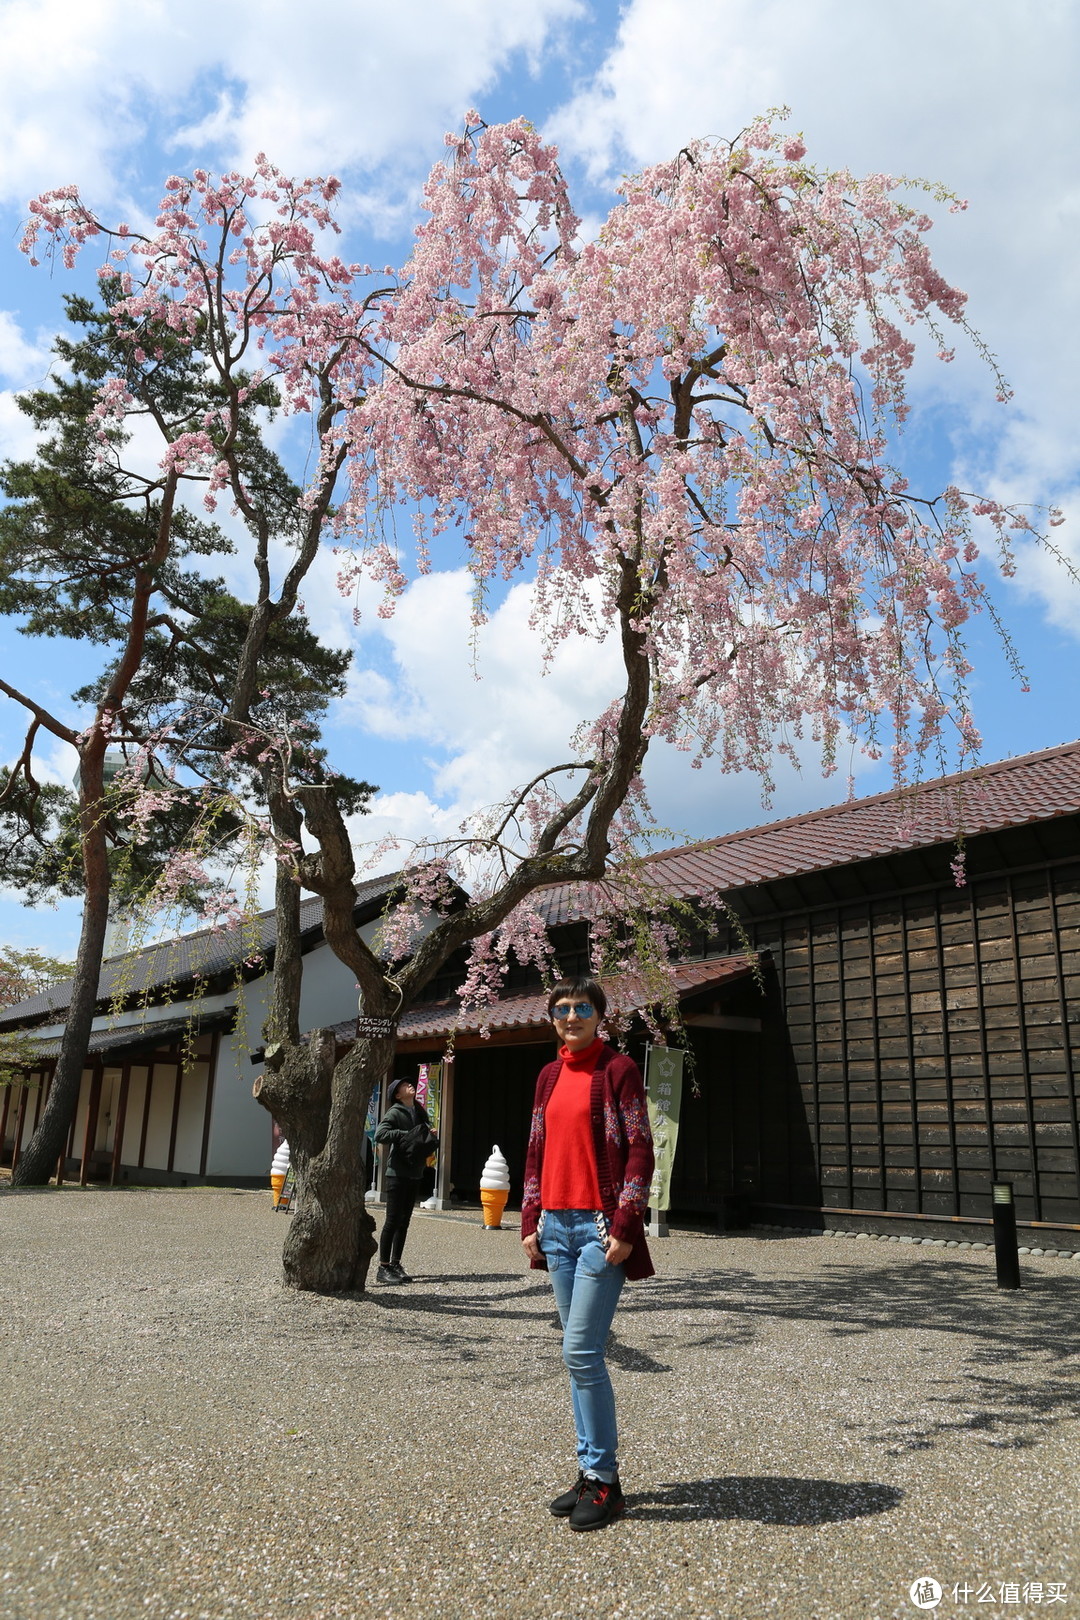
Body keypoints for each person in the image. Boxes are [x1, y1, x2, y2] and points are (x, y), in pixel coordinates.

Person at [520, 977, 654, 1532]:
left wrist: (626, 1223)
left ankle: (607, 1482)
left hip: (600, 1230)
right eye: (561, 1009)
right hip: (555, 1227)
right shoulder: (548, 1076)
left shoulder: (618, 1071)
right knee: (580, 1358)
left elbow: (640, 1150)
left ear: (600, 1015)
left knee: (579, 1351)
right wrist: (530, 1219)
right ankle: (589, 1473)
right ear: (552, 1018)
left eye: (581, 1008)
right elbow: (534, 1147)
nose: (570, 1016)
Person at [374, 1076, 438, 1284]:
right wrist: (407, 1134)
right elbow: (380, 1134)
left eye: (410, 1083)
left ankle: (396, 1264)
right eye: (404, 1085)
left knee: (404, 1221)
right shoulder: (395, 1112)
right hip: (397, 1172)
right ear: (398, 1095)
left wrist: (428, 1135)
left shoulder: (418, 1112)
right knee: (392, 1221)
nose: (410, 1085)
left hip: (414, 1171)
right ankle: (383, 1268)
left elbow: (419, 1137)